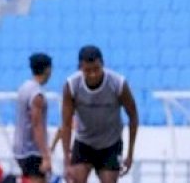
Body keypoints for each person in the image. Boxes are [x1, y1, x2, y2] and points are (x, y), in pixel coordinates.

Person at [60, 46, 139, 183]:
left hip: (110, 143)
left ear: (103, 64)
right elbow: (66, 124)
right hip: (84, 141)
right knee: (75, 180)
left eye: (96, 69)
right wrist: (67, 159)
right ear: (80, 68)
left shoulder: (118, 84)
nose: (93, 75)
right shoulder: (72, 86)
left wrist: (130, 153)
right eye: (87, 71)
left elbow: (133, 116)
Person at [13, 53, 53, 183]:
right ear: (48, 69)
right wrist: (46, 155)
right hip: (32, 150)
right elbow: (37, 125)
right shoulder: (37, 95)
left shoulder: (24, 87)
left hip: (20, 147)